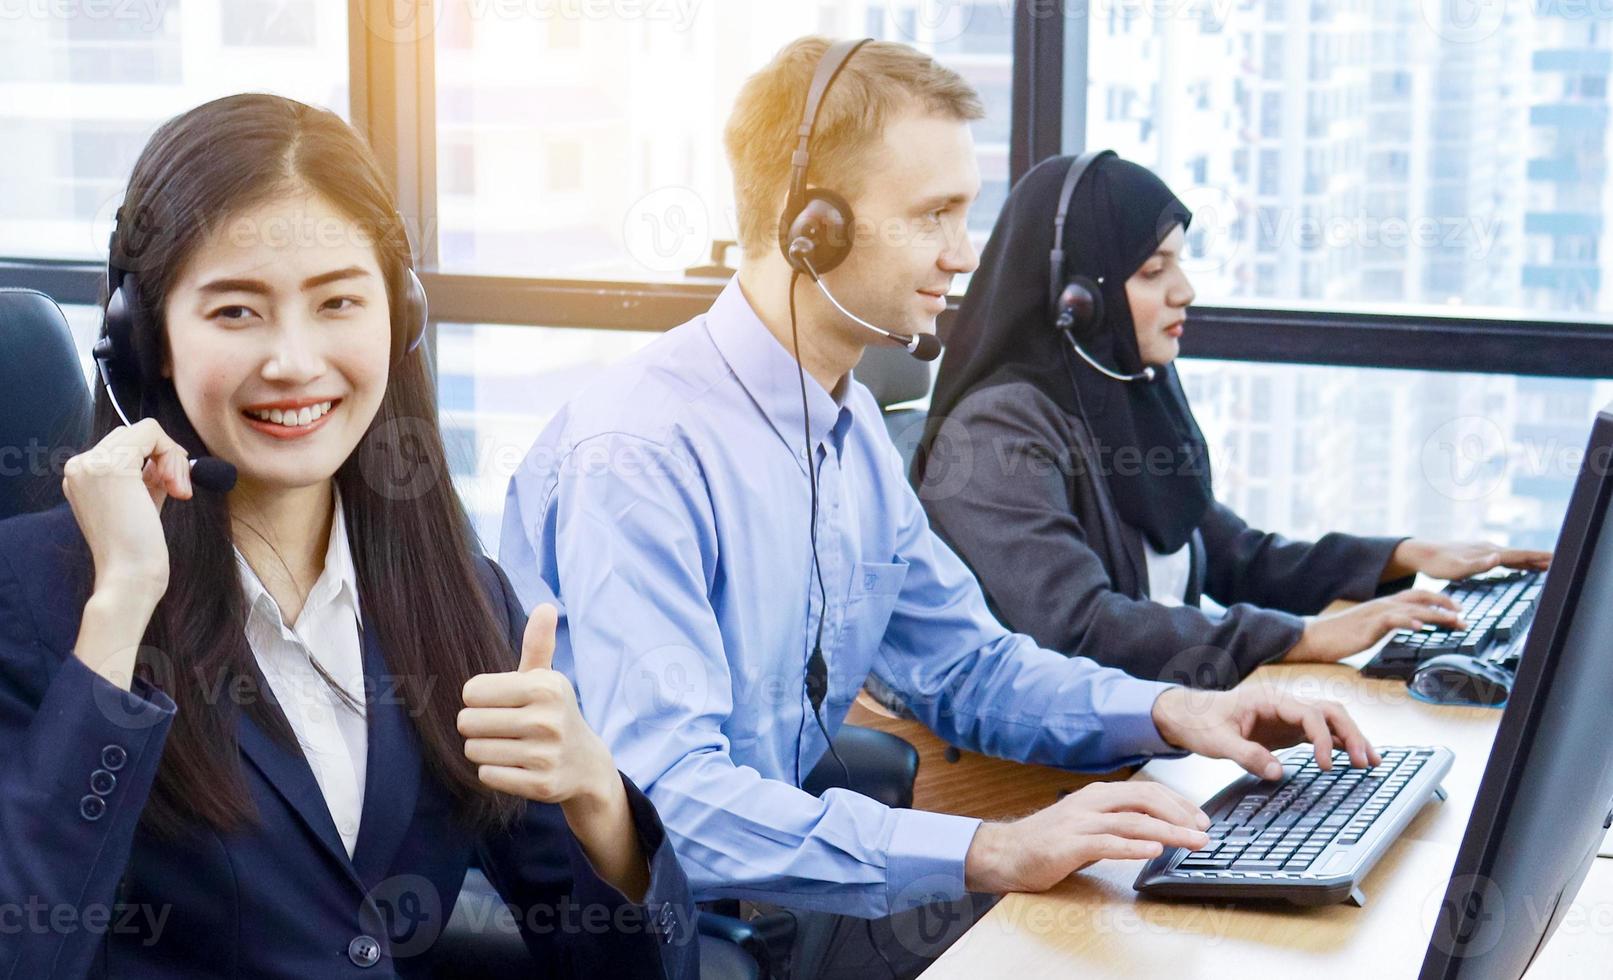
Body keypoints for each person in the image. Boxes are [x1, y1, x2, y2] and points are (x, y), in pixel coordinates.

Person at [501, 38, 1380, 978]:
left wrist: (1178, 711)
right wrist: (989, 848)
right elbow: (668, 802)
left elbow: (968, 667)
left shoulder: (849, 435)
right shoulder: (638, 456)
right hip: (634, 930)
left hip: (782, 886)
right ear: (815, 228)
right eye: (935, 216)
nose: (964, 256)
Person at [0, 94, 695, 979]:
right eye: (236, 311)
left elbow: (626, 973)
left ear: (398, 318)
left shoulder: (457, 596)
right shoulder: (34, 597)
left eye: (337, 302)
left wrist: (598, 795)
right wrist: (123, 602)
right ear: (146, 341)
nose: (294, 361)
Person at [912, 151, 1552, 688]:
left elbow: (1235, 557)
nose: (1183, 290)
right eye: (1153, 270)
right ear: (1078, 301)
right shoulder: (998, 433)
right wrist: (1305, 637)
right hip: (1062, 775)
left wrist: (1407, 555)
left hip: (1167, 726)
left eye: (1179, 263)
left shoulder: (1123, 393)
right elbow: (1081, 628)